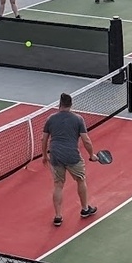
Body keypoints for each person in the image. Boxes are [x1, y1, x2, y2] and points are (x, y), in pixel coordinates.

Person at [41, 92, 99, 226]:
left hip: (55, 155)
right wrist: (91, 155)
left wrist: (44, 155)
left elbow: (44, 139)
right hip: (72, 156)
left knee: (58, 185)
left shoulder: (50, 119)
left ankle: (58, 216)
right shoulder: (78, 119)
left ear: (59, 104)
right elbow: (86, 140)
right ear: (71, 105)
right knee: (80, 180)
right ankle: (85, 209)